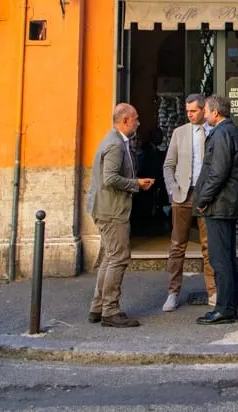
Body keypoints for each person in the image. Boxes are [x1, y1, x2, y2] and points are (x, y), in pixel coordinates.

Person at [86, 103, 154, 328]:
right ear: (125, 120)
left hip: (106, 207)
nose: (138, 122)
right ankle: (110, 310)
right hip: (112, 210)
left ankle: (98, 307)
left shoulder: (113, 140)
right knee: (118, 257)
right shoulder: (115, 145)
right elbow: (111, 178)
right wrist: (136, 184)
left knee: (109, 257)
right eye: (135, 118)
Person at [194, 94, 238, 325]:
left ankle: (225, 309)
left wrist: (203, 199)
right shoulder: (231, 131)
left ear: (216, 112)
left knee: (220, 259)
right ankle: (228, 306)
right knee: (226, 257)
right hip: (226, 203)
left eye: (205, 110)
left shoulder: (222, 133)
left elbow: (218, 172)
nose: (204, 114)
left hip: (220, 205)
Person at [161, 93, 216, 311]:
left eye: (193, 111)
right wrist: (173, 190)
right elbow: (168, 166)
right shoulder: (179, 133)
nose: (190, 115)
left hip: (205, 195)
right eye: (187, 111)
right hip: (182, 194)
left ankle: (213, 291)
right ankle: (173, 292)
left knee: (208, 246)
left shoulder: (213, 131)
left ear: (204, 109)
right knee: (177, 246)